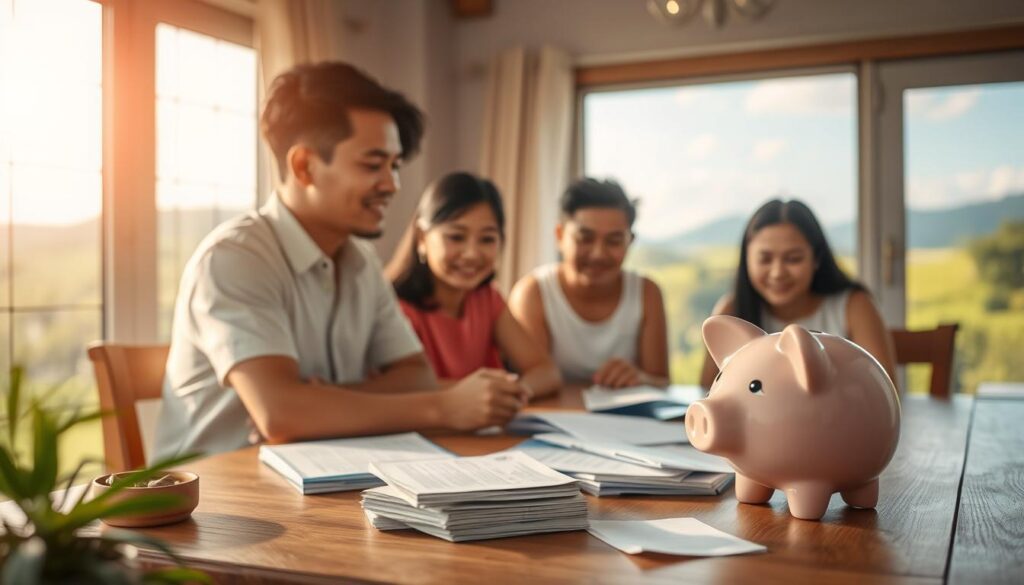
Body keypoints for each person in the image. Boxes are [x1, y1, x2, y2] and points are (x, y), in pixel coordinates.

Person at [154, 62, 528, 459]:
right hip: (213, 500)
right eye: (373, 165)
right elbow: (281, 416)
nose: (392, 185)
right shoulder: (234, 259)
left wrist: (319, 402)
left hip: (318, 474)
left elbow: (415, 376)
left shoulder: (361, 262)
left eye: (395, 166)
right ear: (304, 166)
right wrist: (444, 407)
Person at [386, 172, 562, 399]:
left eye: (487, 239)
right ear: (421, 238)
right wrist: (484, 393)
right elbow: (399, 390)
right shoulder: (396, 309)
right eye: (456, 237)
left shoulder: (487, 299)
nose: (471, 254)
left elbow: (546, 371)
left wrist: (517, 392)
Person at [699, 198, 897, 389]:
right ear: (747, 259)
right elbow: (708, 389)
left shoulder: (853, 305)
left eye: (793, 259)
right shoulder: (732, 310)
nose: (778, 273)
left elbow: (883, 388)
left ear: (817, 259)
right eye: (765, 259)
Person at [508, 178, 669, 388]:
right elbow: (531, 381)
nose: (598, 254)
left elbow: (662, 382)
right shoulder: (533, 293)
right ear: (560, 236)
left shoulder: (647, 293)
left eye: (613, 241)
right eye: (585, 238)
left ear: (630, 241)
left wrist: (640, 378)